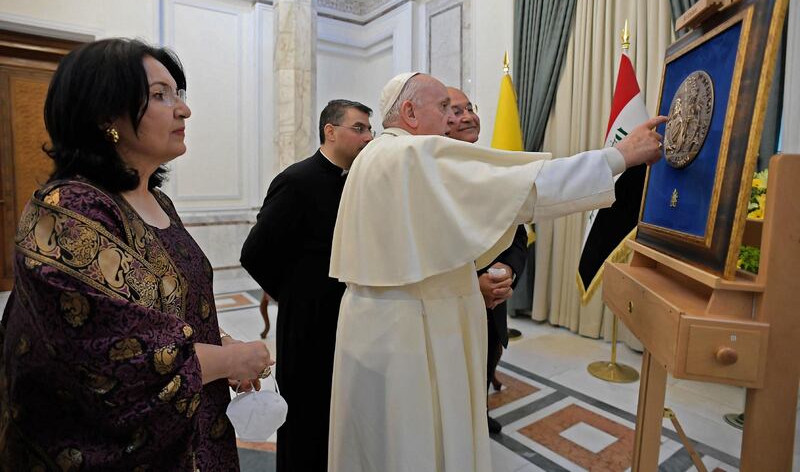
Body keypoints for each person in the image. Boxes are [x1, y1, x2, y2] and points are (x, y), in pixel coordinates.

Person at [327, 72, 665, 471]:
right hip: (413, 331)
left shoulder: (373, 156)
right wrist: (620, 156)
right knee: (417, 442)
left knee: (380, 443)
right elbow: (529, 186)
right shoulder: (413, 154)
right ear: (409, 112)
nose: (452, 119)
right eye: (444, 109)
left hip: (373, 326)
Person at [0, 38, 272, 471]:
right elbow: (107, 355)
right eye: (160, 95)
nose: (183, 109)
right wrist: (226, 360)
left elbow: (169, 311)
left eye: (178, 94)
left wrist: (218, 345)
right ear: (106, 114)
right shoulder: (71, 212)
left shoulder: (158, 201)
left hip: (195, 433)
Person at [240, 99, 373, 472]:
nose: (368, 137)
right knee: (305, 418)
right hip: (308, 323)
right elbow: (254, 253)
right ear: (330, 131)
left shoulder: (358, 183)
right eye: (359, 128)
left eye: (369, 129)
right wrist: (295, 296)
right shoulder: (297, 180)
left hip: (349, 318)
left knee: (341, 413)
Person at [447, 86, 527, 435]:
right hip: (449, 304)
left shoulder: (494, 168)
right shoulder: (428, 172)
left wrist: (507, 269)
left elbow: (518, 234)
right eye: (456, 110)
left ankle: (478, 412)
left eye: (470, 108)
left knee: (488, 356)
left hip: (492, 298)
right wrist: (470, 283)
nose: (468, 116)